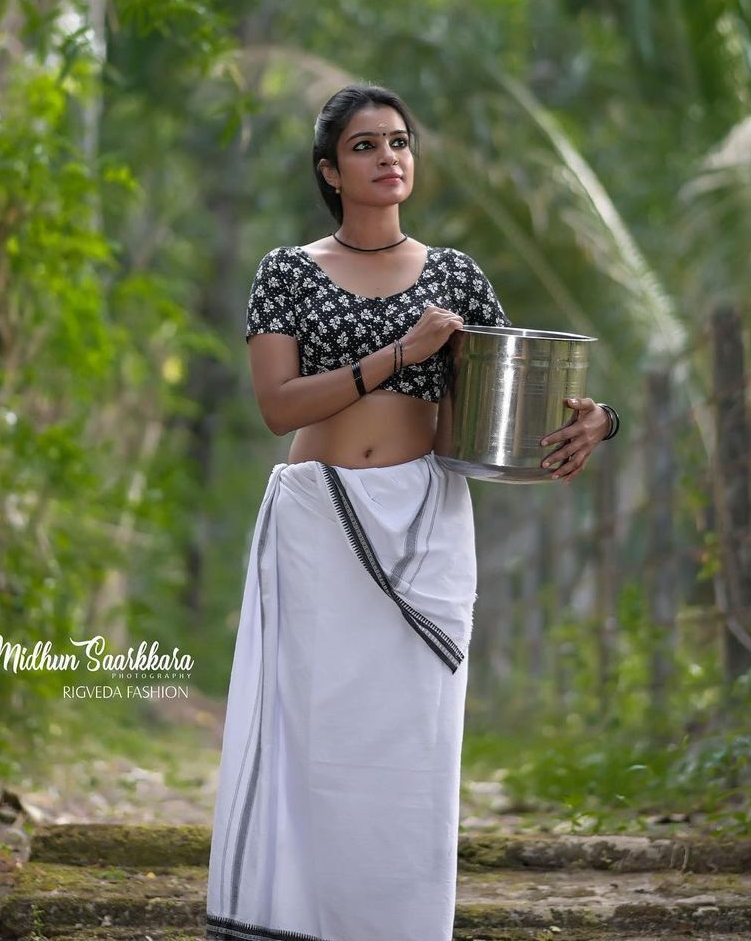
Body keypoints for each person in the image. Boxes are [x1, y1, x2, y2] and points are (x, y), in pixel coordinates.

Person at [205, 83, 619, 941]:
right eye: (365, 145)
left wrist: (600, 421)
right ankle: (300, 921)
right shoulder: (287, 272)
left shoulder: (456, 276)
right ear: (329, 169)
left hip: (424, 526)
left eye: (400, 141)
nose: (390, 156)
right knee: (314, 737)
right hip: (319, 524)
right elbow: (278, 407)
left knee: (411, 746)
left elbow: (517, 402)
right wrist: (402, 351)